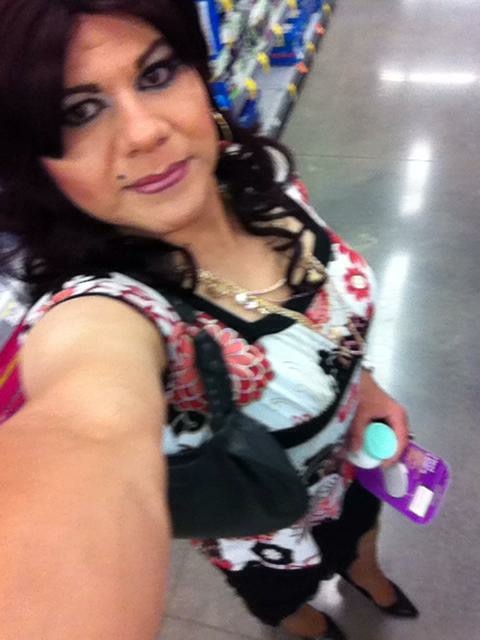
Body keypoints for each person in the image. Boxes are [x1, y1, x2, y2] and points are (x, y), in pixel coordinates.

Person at [0, 1, 418, 638]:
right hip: (259, 522)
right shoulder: (108, 312)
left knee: (362, 531)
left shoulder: (265, 190)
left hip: (355, 463)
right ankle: (303, 622)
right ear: (37, 164)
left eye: (156, 74)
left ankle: (366, 573)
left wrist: (367, 388)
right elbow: (87, 425)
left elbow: (327, 324)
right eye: (78, 112)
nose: (145, 133)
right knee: (282, 595)